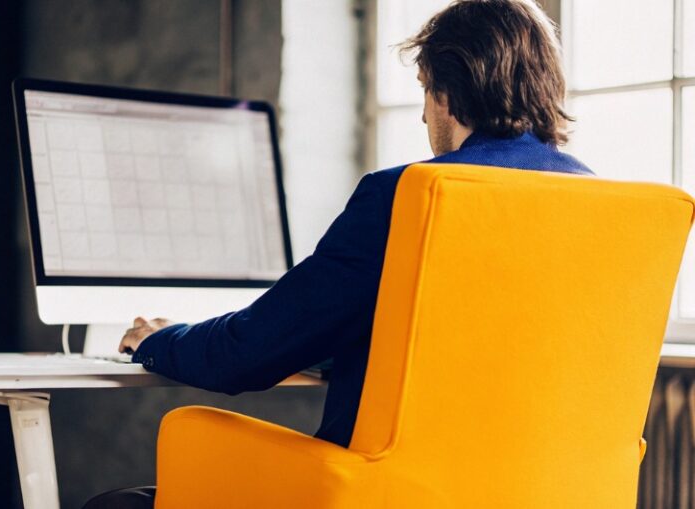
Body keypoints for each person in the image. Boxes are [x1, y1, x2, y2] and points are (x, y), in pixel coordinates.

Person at [83, 0, 595, 507]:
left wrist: (158, 339)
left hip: (386, 494)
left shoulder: (408, 196)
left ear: (449, 91)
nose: (421, 115)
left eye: (424, 90)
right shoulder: (604, 207)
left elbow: (245, 354)